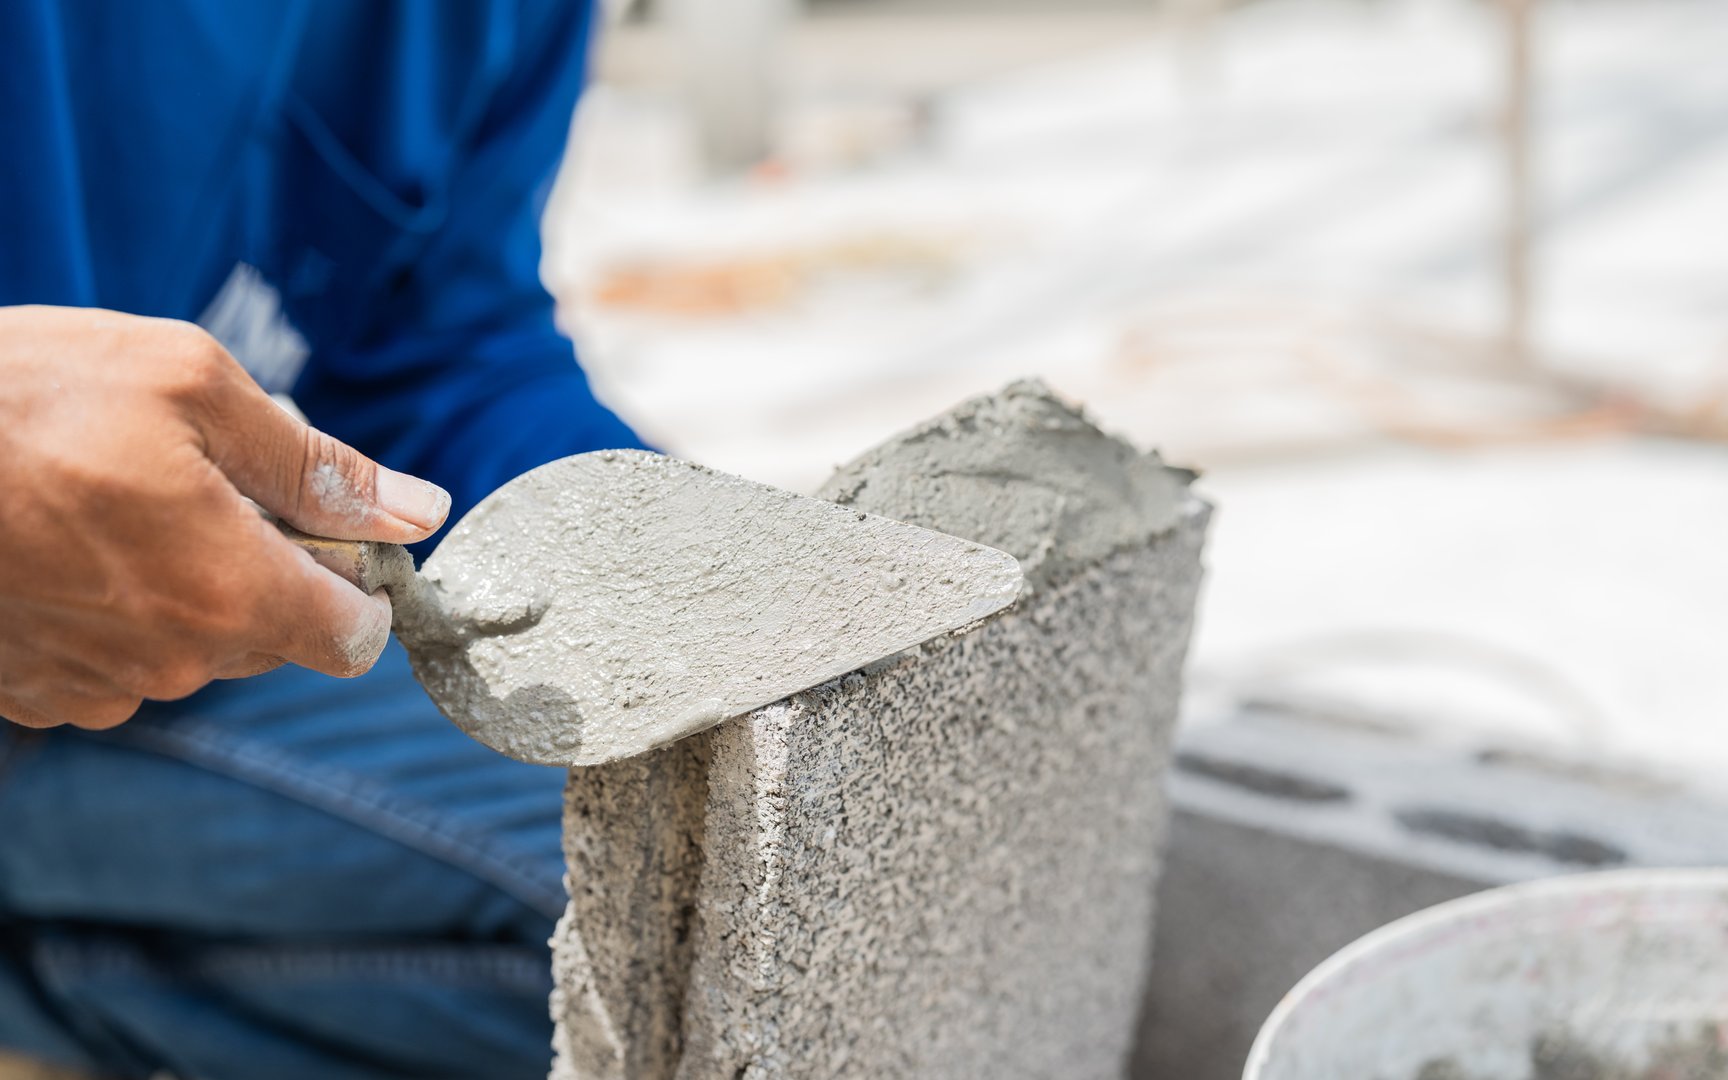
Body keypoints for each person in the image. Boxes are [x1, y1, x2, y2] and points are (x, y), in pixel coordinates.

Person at [0, 2, 646, 1076]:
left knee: (754, 896)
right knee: (618, 917)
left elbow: (438, 342)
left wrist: (653, 542)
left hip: (180, 645)